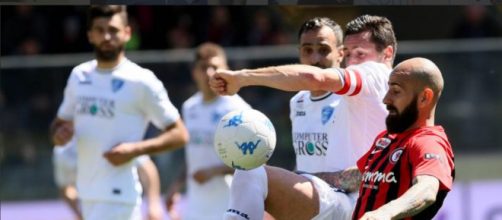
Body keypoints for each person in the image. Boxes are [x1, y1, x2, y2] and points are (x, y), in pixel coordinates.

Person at [210, 14, 396, 220]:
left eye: (323, 49)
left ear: (337, 54)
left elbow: (314, 78)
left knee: (251, 173)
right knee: (251, 176)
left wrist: (241, 77)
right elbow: (304, 166)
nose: (315, 58)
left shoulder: (369, 80)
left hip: (348, 201)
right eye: (308, 50)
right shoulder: (298, 101)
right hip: (321, 199)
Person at [50, 5, 189, 220]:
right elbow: (59, 126)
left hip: (120, 199)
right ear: (90, 35)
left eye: (113, 30)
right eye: (99, 29)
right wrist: (59, 135)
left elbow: (180, 134)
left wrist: (135, 149)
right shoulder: (79, 76)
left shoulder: (141, 80)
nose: (106, 36)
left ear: (127, 33)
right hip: (87, 195)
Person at [353, 57, 455, 219]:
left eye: (396, 91)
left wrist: (383, 214)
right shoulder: (387, 138)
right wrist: (309, 179)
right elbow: (355, 177)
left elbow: (427, 189)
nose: (386, 99)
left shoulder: (429, 142)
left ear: (424, 98)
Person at [165, 42, 251, 220]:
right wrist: (176, 185)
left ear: (226, 70)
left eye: (215, 67)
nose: (210, 73)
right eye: (204, 67)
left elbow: (254, 162)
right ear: (194, 72)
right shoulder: (190, 107)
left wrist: (214, 171)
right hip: (196, 206)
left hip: (230, 204)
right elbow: (194, 154)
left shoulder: (238, 110)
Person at [52, 140, 163, 220]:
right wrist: (80, 214)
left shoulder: (114, 134)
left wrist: (154, 204)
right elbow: (66, 188)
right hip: (91, 211)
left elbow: (146, 168)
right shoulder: (63, 151)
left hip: (124, 207)